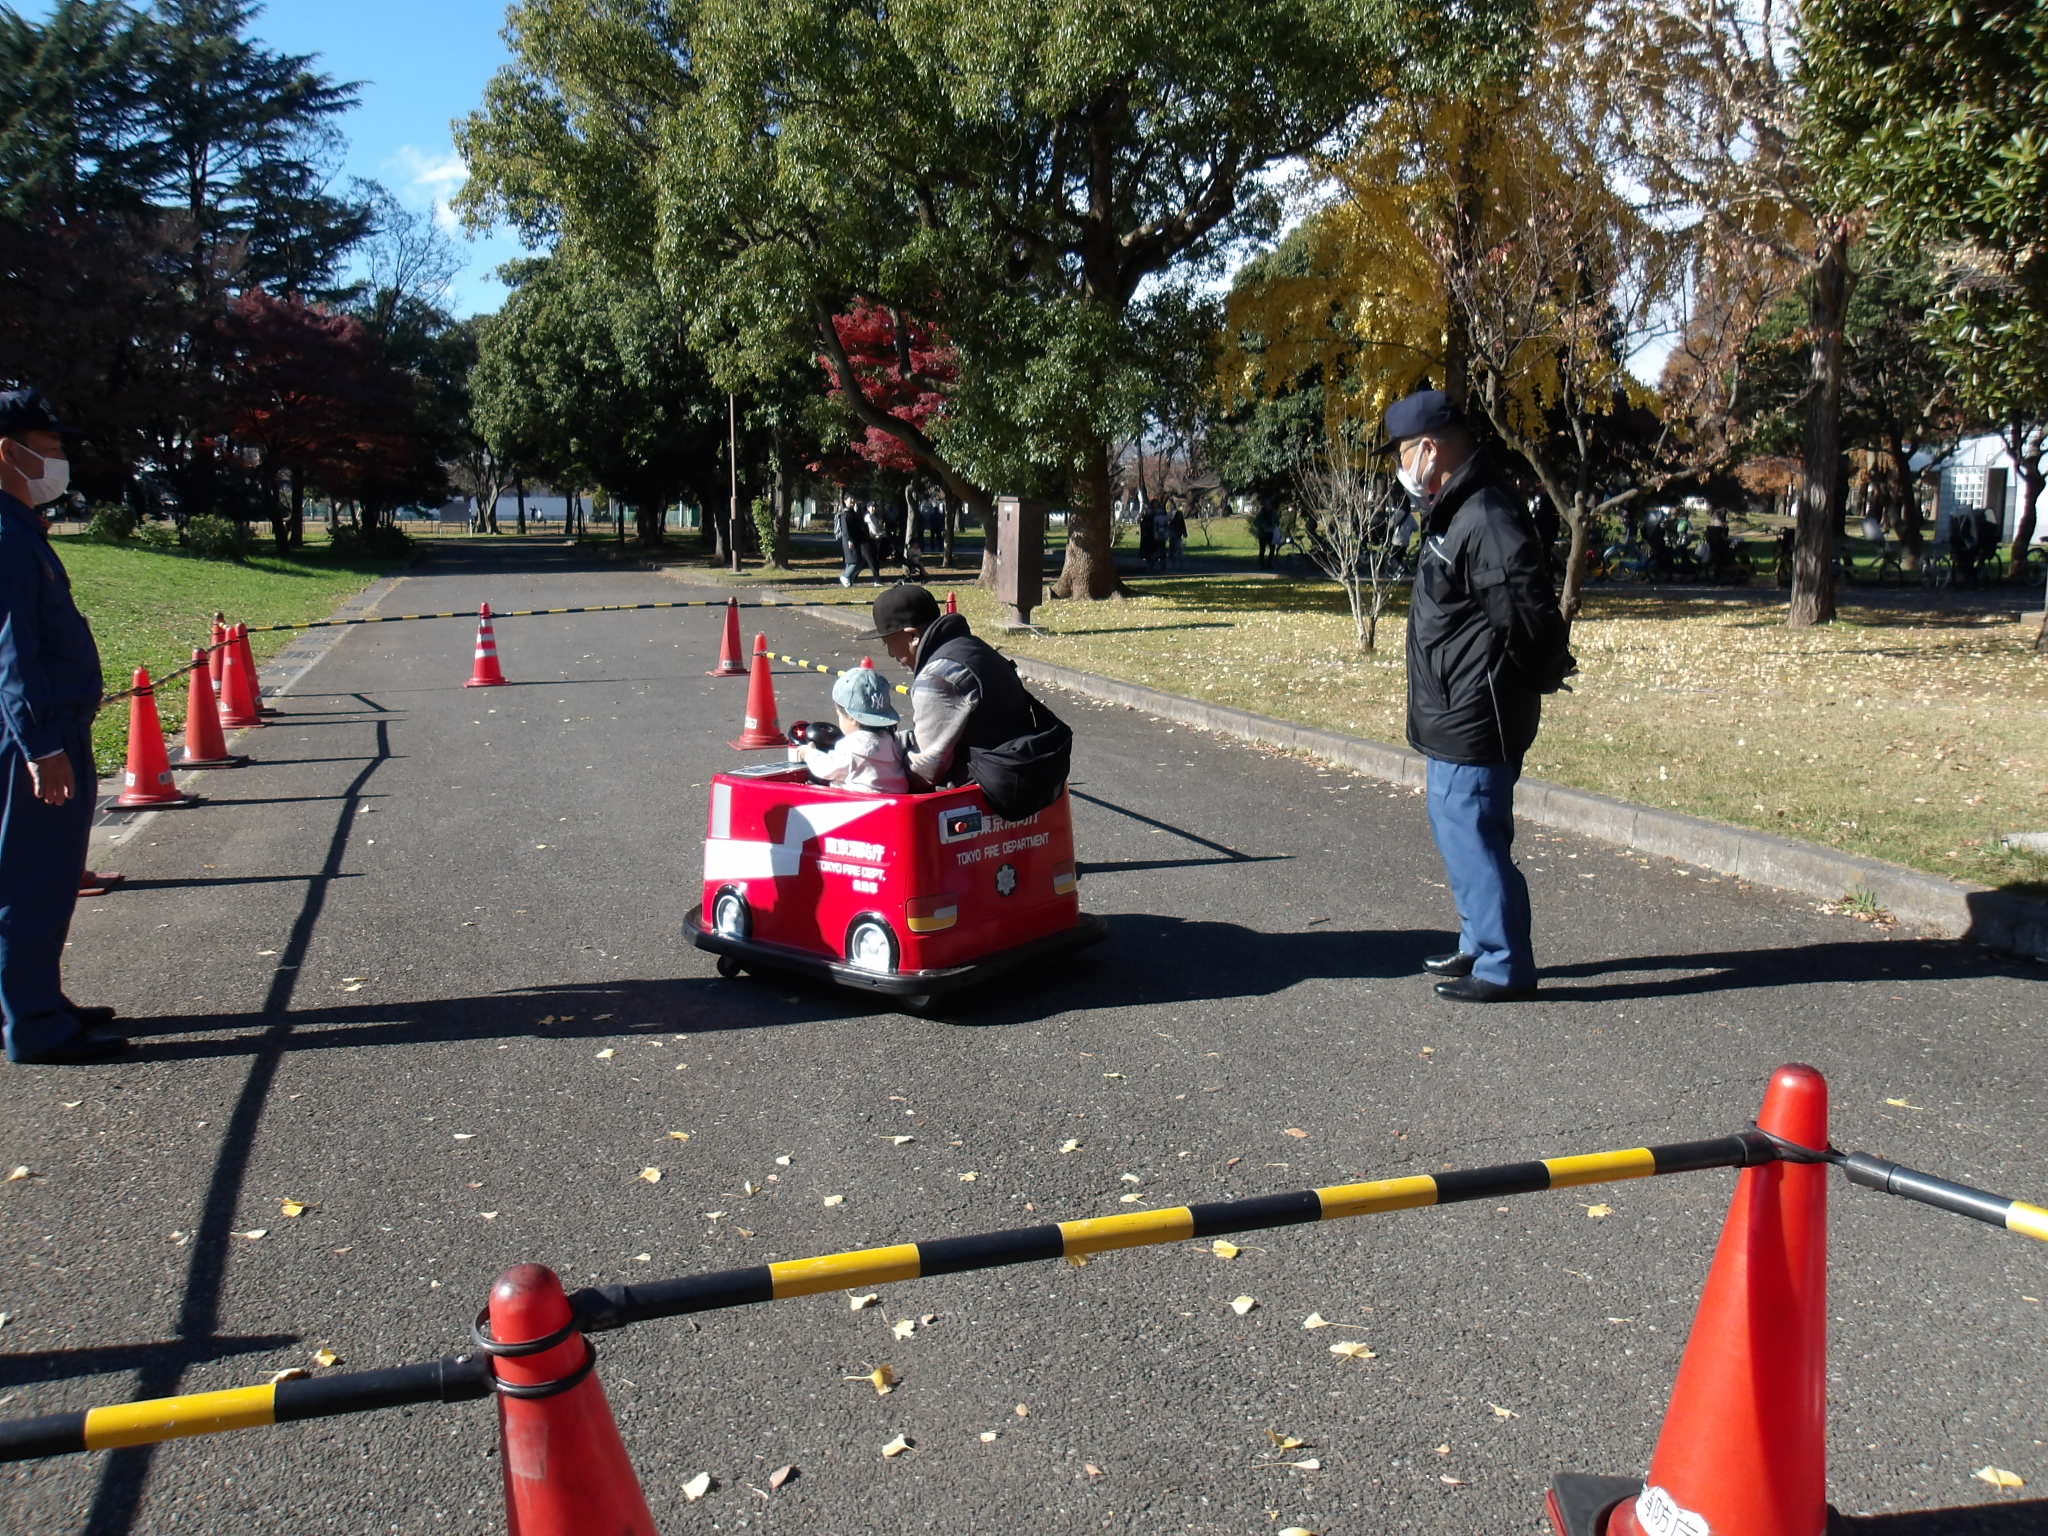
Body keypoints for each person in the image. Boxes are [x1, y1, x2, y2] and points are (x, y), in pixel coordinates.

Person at [1380, 388, 1572, 1004]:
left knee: (1476, 839)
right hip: (1452, 708)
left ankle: (1502, 965)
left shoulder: (1484, 513)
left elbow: (1525, 614)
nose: (1400, 466)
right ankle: (1477, 940)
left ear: (1429, 450)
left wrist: (1540, 673)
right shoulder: (1455, 507)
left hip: (1477, 714)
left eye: (1402, 453)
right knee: (1460, 836)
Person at [0, 387, 126, 1062]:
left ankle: (35, 1000)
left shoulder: (21, 530)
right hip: (39, 734)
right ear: (8, 452)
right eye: (48, 450)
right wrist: (41, 745)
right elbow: (12, 651)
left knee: (44, 875)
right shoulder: (6, 538)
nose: (59, 463)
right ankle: (36, 1025)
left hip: (52, 725)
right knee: (34, 878)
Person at [868, 584, 1037, 792]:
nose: (890, 654)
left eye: (888, 643)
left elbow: (928, 769)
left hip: (990, 790)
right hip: (1021, 768)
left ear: (912, 636)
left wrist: (878, 773)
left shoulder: (937, 677)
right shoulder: (970, 647)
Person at [801, 665, 910, 793]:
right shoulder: (891, 740)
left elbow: (826, 769)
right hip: (896, 797)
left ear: (852, 718)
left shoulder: (852, 746)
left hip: (861, 801)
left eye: (839, 715)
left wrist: (810, 754)